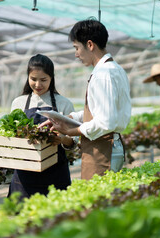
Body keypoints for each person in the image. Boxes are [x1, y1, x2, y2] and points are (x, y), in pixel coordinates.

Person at [40, 19, 131, 180]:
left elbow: (105, 121)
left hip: (102, 150)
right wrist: (66, 119)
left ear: (90, 45)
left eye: (77, 48)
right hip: (109, 146)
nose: (76, 54)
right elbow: (101, 111)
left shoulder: (102, 75)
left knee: (98, 202)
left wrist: (70, 131)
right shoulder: (115, 69)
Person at [8, 54, 75, 200]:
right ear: (27, 77)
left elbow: (73, 142)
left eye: (43, 80)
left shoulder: (64, 104)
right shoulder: (18, 103)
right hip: (24, 175)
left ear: (52, 78)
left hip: (55, 174)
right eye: (33, 79)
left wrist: (62, 139)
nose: (38, 85)